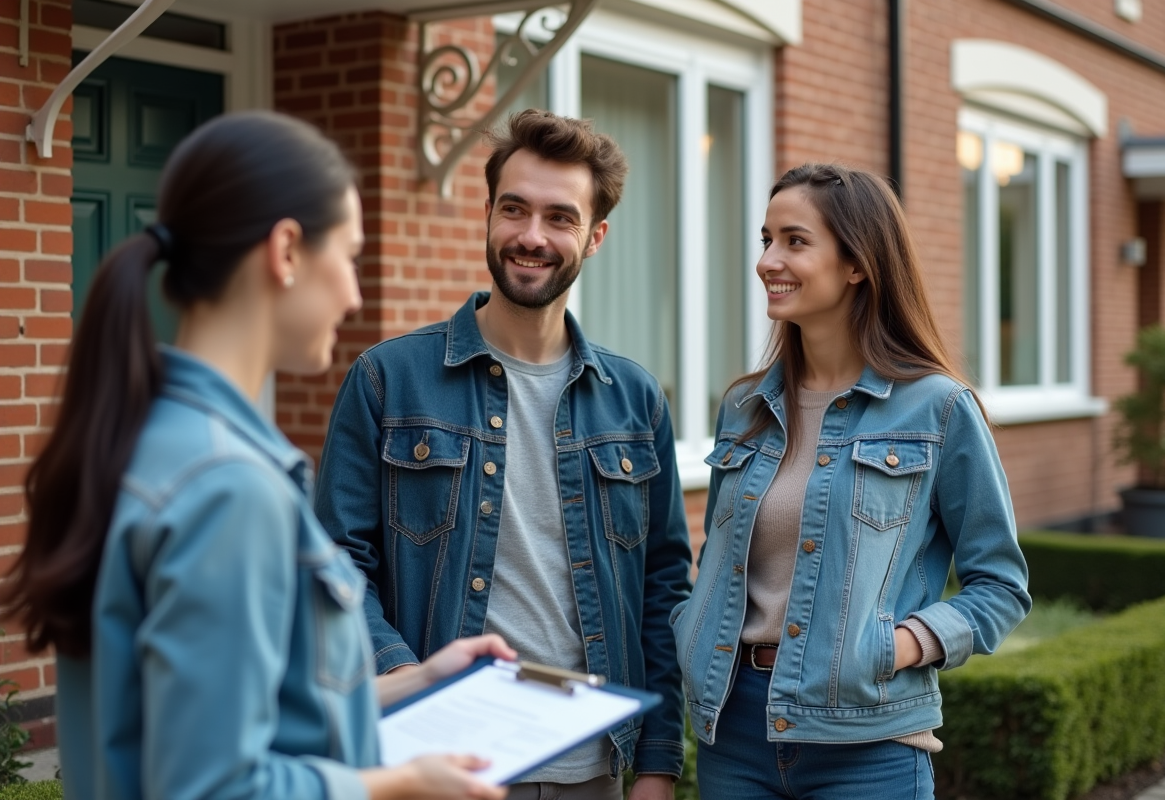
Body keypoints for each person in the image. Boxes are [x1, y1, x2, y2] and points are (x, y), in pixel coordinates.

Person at [0, 110, 516, 800]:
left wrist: (418, 678)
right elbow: (212, 786)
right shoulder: (228, 488)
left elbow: (250, 716)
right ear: (287, 252)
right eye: (351, 256)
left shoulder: (146, 438)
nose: (356, 293)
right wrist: (393, 785)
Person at [315, 109, 693, 800]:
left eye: (560, 217)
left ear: (595, 236)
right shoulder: (387, 379)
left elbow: (663, 587)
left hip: (592, 769)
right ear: (487, 214)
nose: (532, 236)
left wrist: (660, 763)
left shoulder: (635, 398)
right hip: (436, 764)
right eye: (514, 209)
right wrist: (406, 684)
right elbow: (338, 570)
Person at [671, 163, 1032, 799]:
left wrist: (897, 646)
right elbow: (722, 564)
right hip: (734, 731)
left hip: (867, 742)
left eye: (795, 240)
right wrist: (691, 631)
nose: (768, 261)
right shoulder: (745, 407)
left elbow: (1001, 585)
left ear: (858, 264)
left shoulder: (938, 409)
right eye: (766, 240)